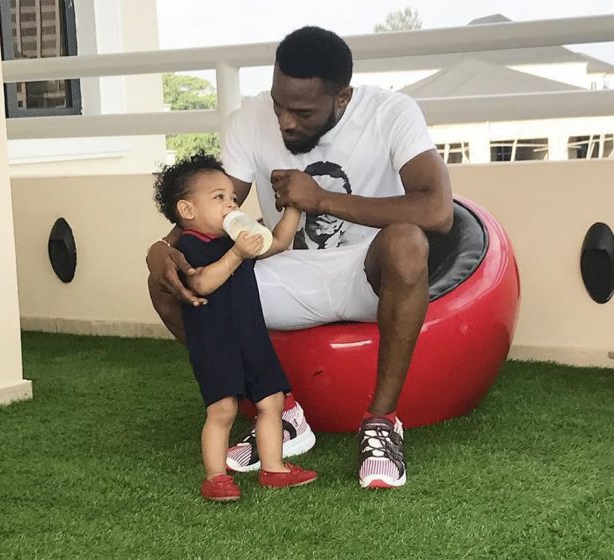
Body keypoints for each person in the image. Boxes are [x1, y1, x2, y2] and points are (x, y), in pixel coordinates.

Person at [147, 26, 453, 489]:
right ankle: (279, 409)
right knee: (169, 286)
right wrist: (162, 248)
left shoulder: (391, 112)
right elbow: (212, 209)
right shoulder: (250, 119)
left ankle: (381, 423)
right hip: (282, 269)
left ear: (342, 97)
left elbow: (438, 210)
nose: (286, 122)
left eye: (303, 112)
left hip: (367, 273)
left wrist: (323, 200)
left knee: (407, 242)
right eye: (279, 106)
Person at [152, 153, 318, 501]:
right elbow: (201, 283)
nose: (231, 203)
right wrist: (237, 255)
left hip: (251, 338)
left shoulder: (235, 239)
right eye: (219, 197)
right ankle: (216, 477)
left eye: (232, 197)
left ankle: (274, 468)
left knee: (272, 402)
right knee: (222, 410)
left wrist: (294, 207)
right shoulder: (189, 246)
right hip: (216, 345)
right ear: (187, 210)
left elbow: (277, 242)